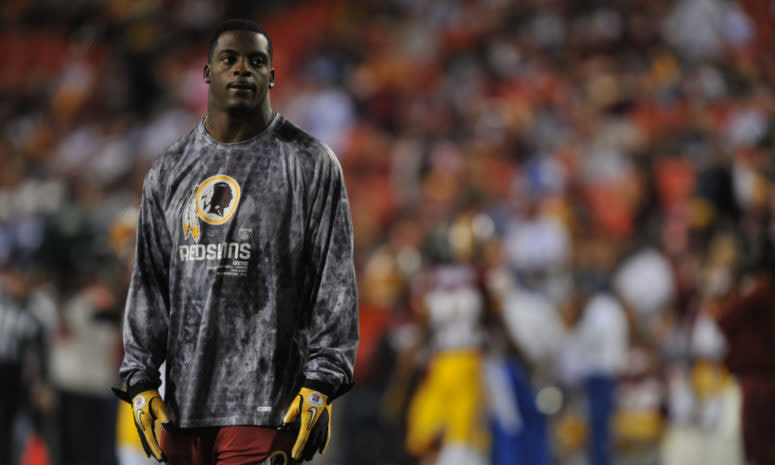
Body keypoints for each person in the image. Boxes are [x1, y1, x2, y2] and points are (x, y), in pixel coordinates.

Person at [115, 18, 359, 465]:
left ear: (273, 75)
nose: (242, 70)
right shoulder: (168, 168)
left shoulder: (310, 162)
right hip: (182, 407)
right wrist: (141, 379)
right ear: (207, 73)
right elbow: (149, 281)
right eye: (229, 59)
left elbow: (335, 281)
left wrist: (322, 382)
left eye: (257, 61)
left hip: (268, 404)